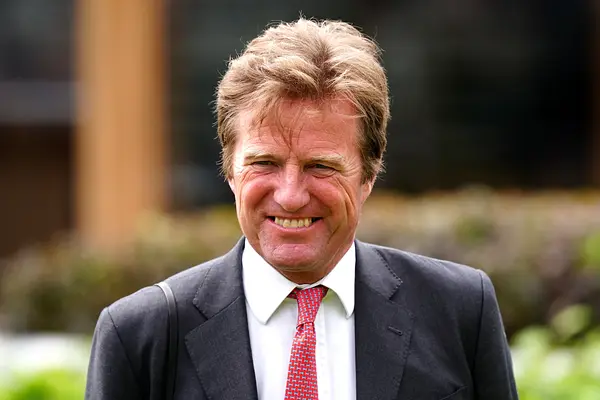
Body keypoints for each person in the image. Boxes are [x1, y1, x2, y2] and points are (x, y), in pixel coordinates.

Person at [85, 18, 518, 400]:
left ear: (368, 175)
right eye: (264, 163)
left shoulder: (460, 310)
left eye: (321, 166)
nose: (291, 195)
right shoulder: (140, 335)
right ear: (230, 171)